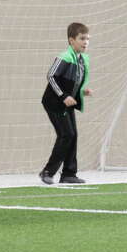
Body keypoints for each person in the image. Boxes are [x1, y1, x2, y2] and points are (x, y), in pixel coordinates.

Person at [40, 22, 92, 184]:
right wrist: (63, 96)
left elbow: (74, 82)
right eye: (82, 38)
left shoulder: (82, 60)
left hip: (66, 103)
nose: (85, 42)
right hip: (54, 102)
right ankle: (47, 171)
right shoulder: (64, 57)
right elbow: (51, 76)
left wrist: (82, 91)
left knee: (73, 135)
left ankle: (69, 174)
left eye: (87, 39)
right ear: (71, 40)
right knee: (66, 134)